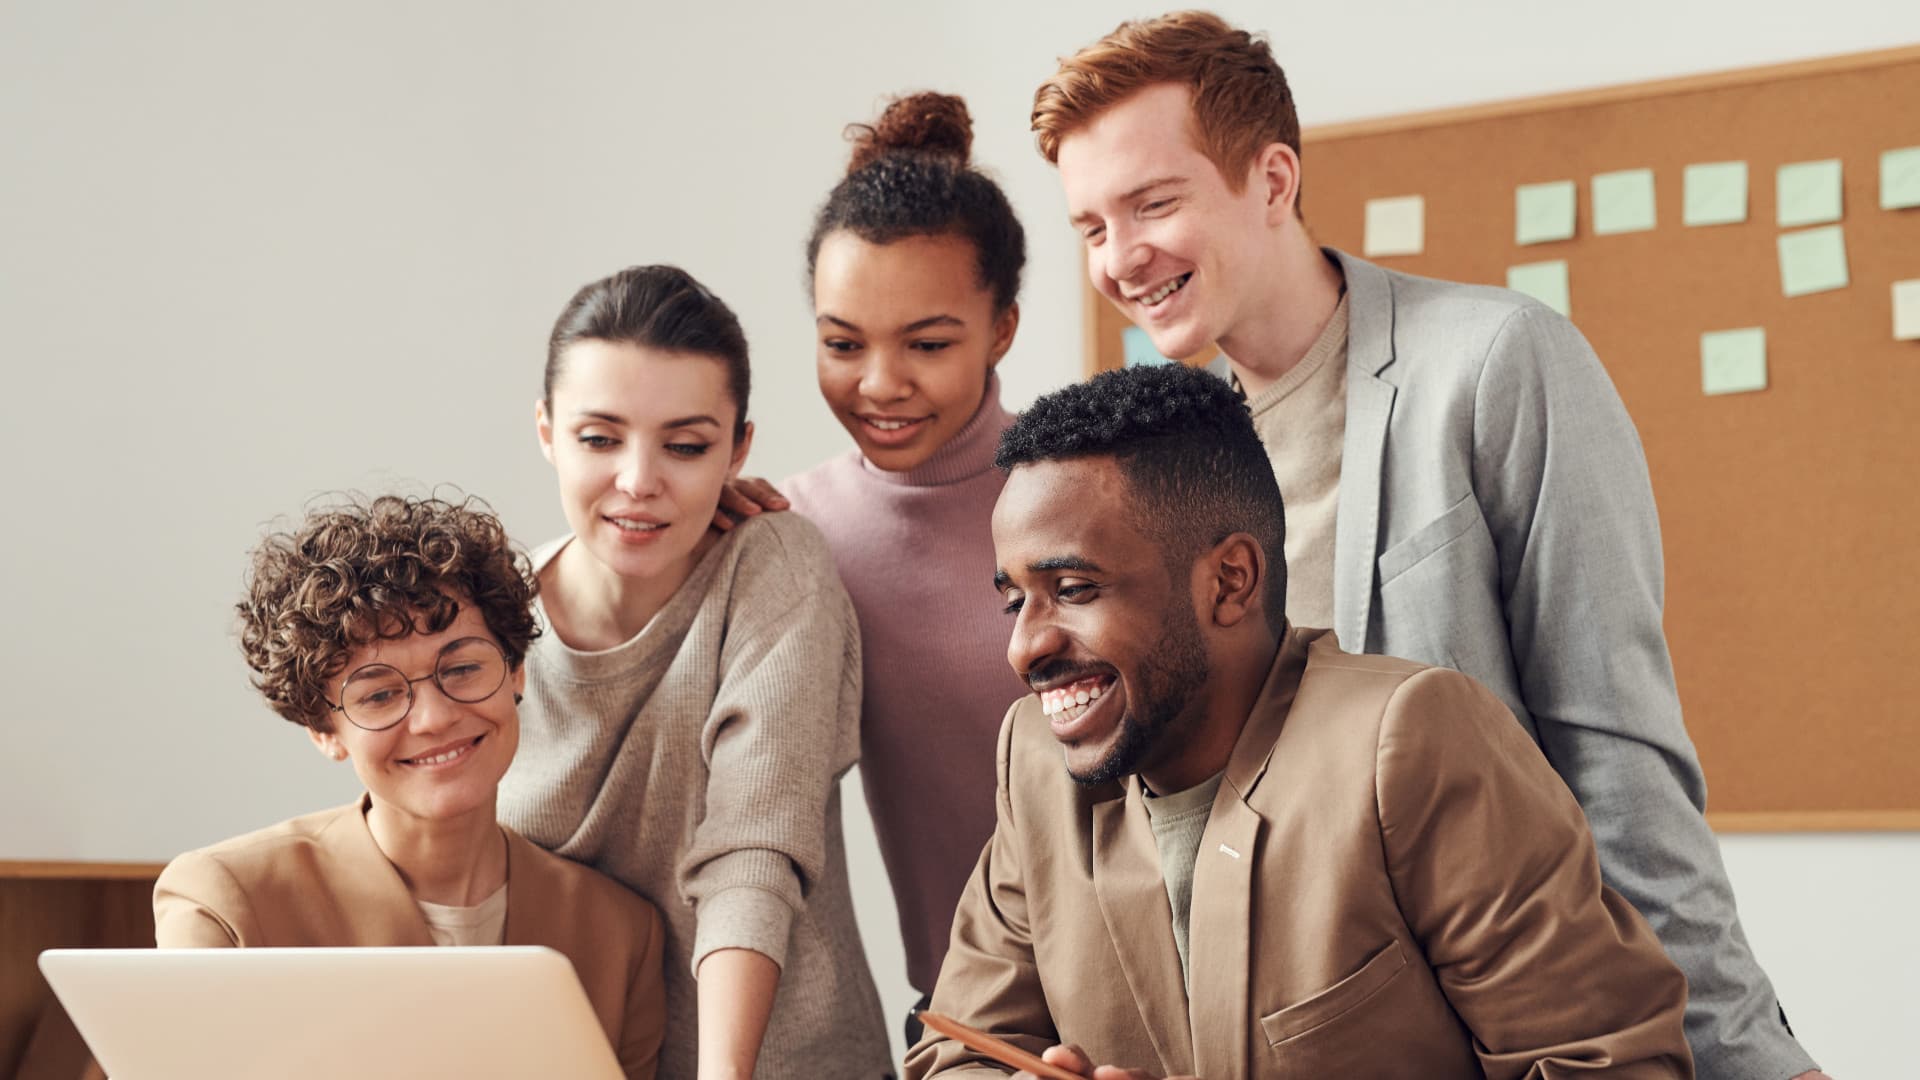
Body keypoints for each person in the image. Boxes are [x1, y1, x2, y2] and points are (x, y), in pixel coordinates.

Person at [1029, 12, 1821, 1080]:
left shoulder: (1496, 364)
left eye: (1153, 203)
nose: (1121, 259)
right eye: (1089, 227)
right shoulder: (1168, 466)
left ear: (1272, 180)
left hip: (1528, 1027)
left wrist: (1739, 1057)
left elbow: (1618, 758)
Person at [906, 363, 1692, 1079]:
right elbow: (954, 1051)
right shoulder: (1037, 761)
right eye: (1015, 600)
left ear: (1230, 581)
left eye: (1073, 589)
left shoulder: (1410, 742)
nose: (1024, 647)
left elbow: (1615, 1066)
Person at [497, 264, 892, 1080]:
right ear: (545, 430)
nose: (639, 482)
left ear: (739, 446)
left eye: (686, 446)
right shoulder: (491, 619)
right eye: (599, 438)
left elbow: (753, 847)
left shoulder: (774, 565)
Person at [154, 494, 667, 1079]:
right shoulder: (226, 905)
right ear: (324, 731)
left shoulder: (621, 934)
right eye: (377, 694)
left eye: (463, 667)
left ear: (516, 671)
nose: (433, 718)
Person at [743, 91, 1030, 1040]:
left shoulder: (1090, 487)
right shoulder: (793, 530)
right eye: (841, 344)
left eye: (929, 344)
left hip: (1172, 994)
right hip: (964, 1023)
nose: (879, 384)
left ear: (1003, 330)